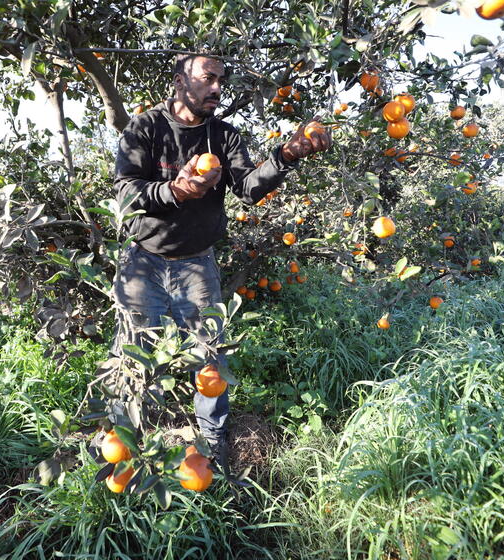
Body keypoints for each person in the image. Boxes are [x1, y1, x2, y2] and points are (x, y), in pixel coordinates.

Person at [111, 53, 331, 471]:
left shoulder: (224, 136)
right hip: (144, 261)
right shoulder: (144, 128)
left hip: (197, 265)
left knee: (209, 356)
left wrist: (286, 155)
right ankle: (124, 450)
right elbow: (125, 194)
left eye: (220, 81)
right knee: (133, 356)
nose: (216, 88)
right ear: (180, 81)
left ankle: (213, 447)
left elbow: (248, 188)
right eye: (207, 78)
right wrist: (175, 190)